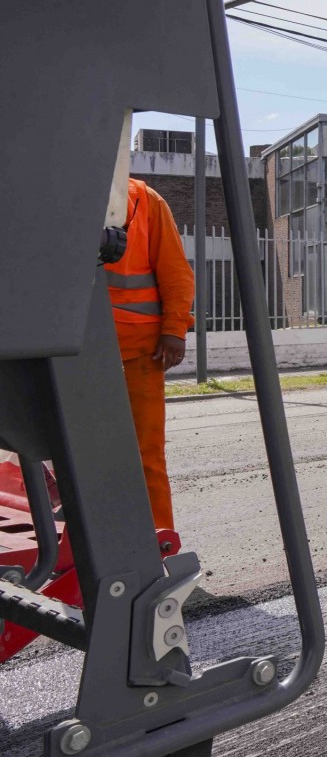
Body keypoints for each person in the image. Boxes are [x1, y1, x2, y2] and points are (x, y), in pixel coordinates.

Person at [105, 177, 194, 531]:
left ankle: (158, 539)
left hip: (137, 350)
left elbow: (175, 270)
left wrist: (174, 329)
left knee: (145, 454)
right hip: (77, 349)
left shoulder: (144, 199)